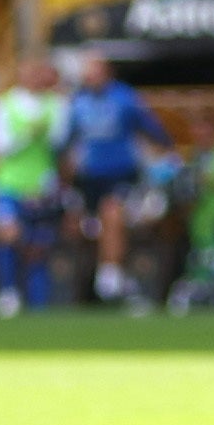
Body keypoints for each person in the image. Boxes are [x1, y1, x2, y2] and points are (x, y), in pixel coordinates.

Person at [58, 52, 173, 305]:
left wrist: (165, 151)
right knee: (89, 226)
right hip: (89, 178)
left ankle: (110, 274)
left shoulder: (125, 99)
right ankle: (107, 277)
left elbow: (152, 128)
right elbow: (64, 142)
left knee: (112, 213)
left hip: (122, 174)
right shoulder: (78, 103)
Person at [0, 55, 65, 315]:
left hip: (41, 185)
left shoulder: (57, 105)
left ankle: (38, 301)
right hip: (8, 183)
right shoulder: (3, 105)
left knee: (37, 246)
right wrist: (26, 135)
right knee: (8, 235)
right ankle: (8, 292)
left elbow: (59, 142)